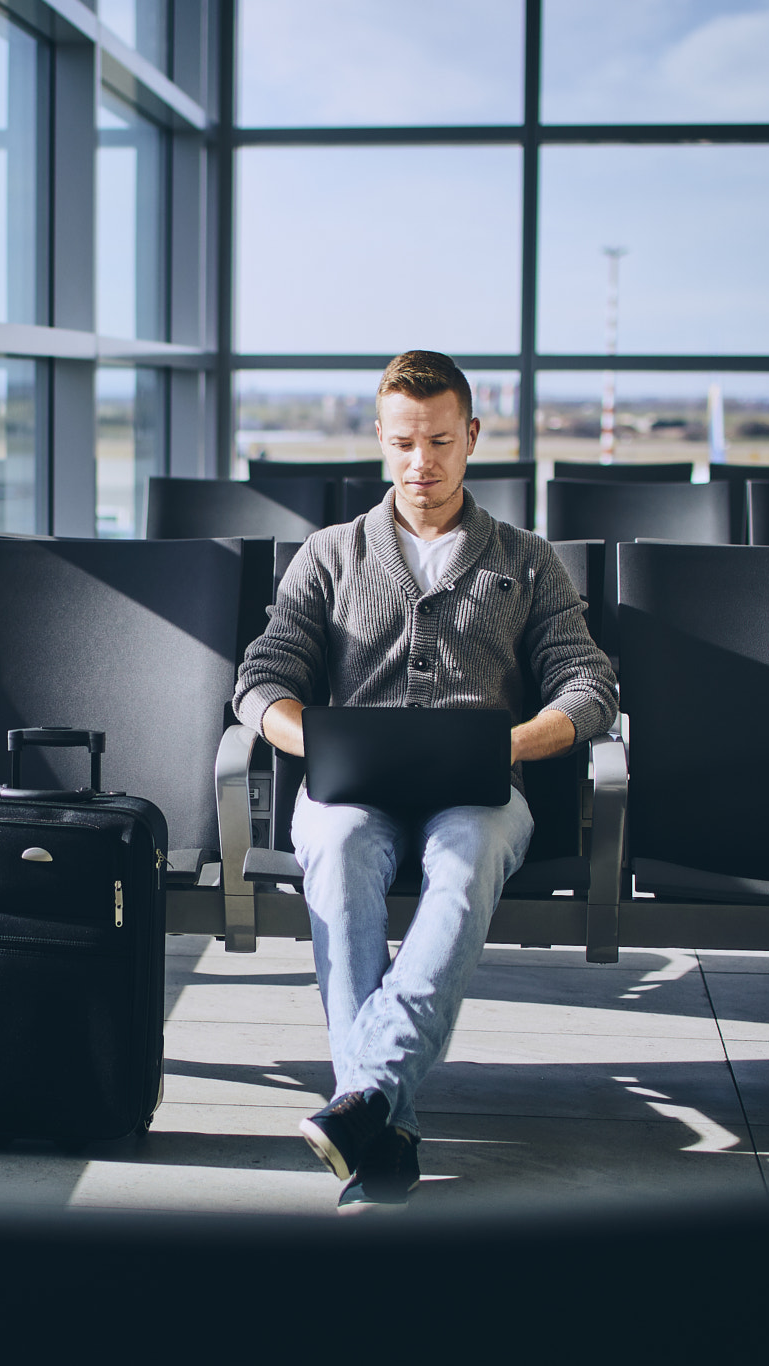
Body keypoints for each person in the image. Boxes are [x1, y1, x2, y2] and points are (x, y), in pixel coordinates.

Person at [233, 350, 617, 1210]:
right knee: (337, 847)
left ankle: (365, 1097)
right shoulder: (329, 555)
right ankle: (383, 1117)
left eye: (440, 442)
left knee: (468, 857)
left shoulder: (526, 559)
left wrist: (512, 743)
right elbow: (260, 681)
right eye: (404, 443)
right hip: (350, 791)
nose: (422, 463)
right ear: (380, 437)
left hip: (480, 792)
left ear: (471, 436)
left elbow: (590, 687)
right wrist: (315, 741)